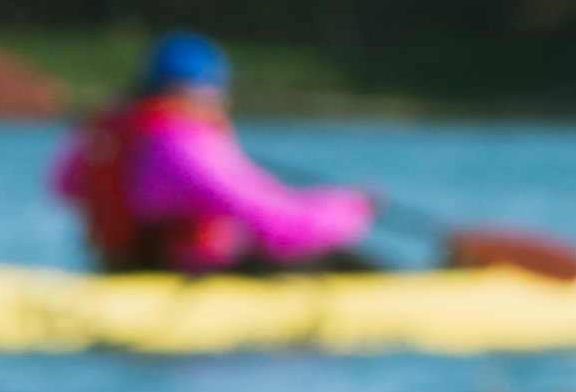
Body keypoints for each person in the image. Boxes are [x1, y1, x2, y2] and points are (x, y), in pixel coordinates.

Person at [53, 33, 381, 277]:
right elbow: (277, 223)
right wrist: (352, 209)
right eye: (220, 89)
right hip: (184, 276)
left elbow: (64, 185)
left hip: (118, 270)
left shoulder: (111, 130)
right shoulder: (185, 145)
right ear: (202, 90)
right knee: (338, 258)